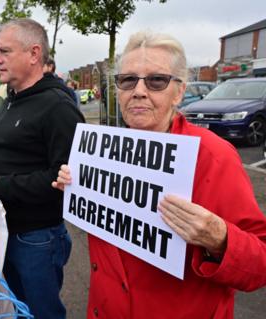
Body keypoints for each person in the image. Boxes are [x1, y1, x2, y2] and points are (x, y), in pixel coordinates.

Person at [52, 31, 266, 319]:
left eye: (156, 80)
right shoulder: (100, 153)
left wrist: (220, 239)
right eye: (128, 80)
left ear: (179, 91)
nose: (138, 91)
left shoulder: (214, 156)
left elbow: (260, 264)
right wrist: (78, 186)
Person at [0, 18, 84, 319]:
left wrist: (0, 186)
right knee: (17, 309)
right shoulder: (13, 100)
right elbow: (17, 150)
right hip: (5, 230)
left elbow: (66, 181)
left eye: (4, 51)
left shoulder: (57, 107)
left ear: (33, 54)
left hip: (36, 238)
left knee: (42, 313)